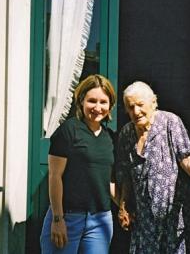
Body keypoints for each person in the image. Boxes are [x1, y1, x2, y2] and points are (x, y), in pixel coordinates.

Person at [116, 81, 190, 254]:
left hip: (172, 219)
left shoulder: (170, 122)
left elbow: (185, 158)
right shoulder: (126, 133)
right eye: (130, 107)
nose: (136, 112)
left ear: (154, 102)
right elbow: (127, 174)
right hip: (144, 222)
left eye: (140, 105)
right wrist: (124, 205)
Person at [40, 74, 117, 254]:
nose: (97, 107)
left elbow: (108, 182)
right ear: (81, 101)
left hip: (100, 220)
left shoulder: (111, 138)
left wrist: (123, 206)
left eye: (103, 102)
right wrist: (58, 220)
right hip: (68, 217)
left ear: (110, 105)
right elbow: (54, 176)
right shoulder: (68, 130)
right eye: (92, 101)